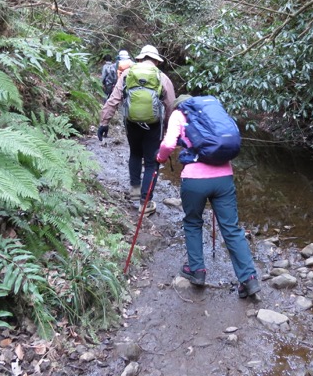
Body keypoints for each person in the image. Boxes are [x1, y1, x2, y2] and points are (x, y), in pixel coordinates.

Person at [155, 94, 261, 298]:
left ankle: (197, 271)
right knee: (231, 228)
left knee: (193, 223)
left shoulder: (178, 114)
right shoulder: (212, 114)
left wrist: (159, 158)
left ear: (179, 105)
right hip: (224, 178)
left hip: (194, 180)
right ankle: (249, 279)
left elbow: (168, 145)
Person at [97, 45, 175, 215]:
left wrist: (104, 122)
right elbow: (170, 106)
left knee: (135, 153)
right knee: (151, 162)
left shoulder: (127, 74)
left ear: (140, 59)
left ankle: (134, 189)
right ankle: (145, 204)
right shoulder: (162, 77)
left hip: (131, 123)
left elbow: (113, 99)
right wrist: (170, 130)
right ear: (156, 60)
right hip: (154, 125)